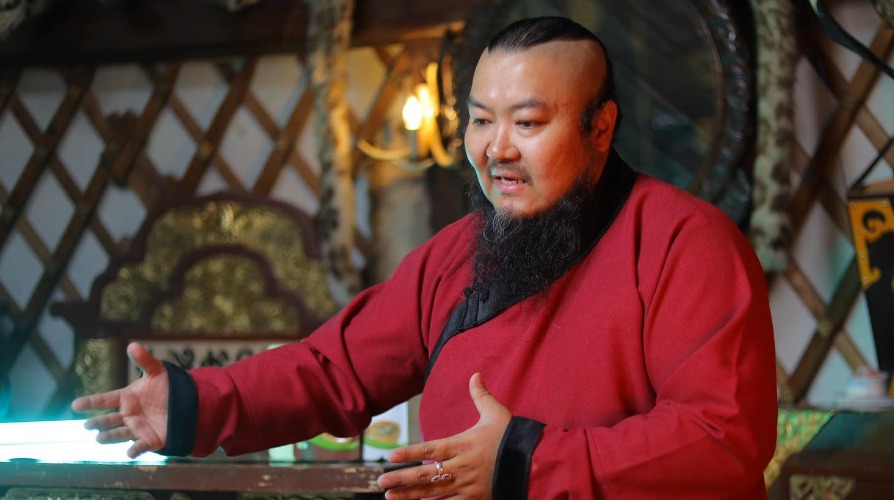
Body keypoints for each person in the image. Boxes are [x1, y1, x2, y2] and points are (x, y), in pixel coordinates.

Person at [73, 16, 777, 499]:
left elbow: (721, 443)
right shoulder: (456, 257)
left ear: (601, 126)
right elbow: (330, 370)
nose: (496, 148)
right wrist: (195, 403)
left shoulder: (688, 243)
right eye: (479, 120)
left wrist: (522, 462)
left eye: (528, 123)